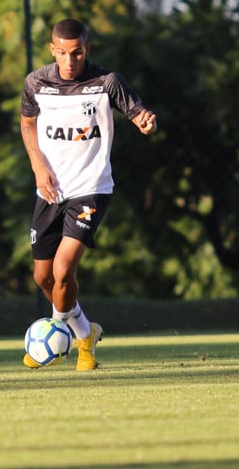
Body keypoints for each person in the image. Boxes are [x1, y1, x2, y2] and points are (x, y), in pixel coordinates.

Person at [20, 18, 157, 370]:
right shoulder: (36, 82)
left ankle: (68, 340)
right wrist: (38, 166)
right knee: (42, 276)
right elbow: (27, 123)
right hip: (49, 190)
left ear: (87, 50)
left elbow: (137, 111)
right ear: (53, 50)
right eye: (63, 53)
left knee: (64, 270)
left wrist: (144, 120)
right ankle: (84, 330)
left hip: (91, 188)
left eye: (76, 53)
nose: (69, 61)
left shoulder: (106, 82)